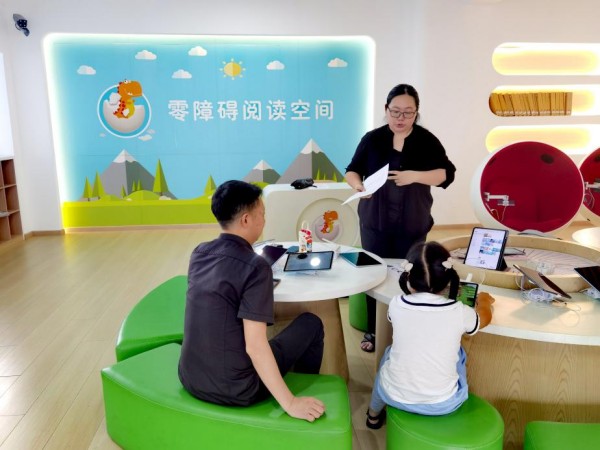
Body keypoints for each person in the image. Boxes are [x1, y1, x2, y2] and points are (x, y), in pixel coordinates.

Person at [178, 180, 326, 422]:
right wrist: (290, 403)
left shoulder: (200, 252)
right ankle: (301, 388)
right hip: (238, 389)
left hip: (191, 377)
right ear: (246, 220)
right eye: (262, 214)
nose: (264, 220)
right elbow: (255, 346)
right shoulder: (256, 267)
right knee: (311, 323)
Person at [345, 83, 456, 353]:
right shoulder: (372, 139)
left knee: (411, 274)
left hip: (412, 220)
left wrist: (414, 176)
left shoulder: (426, 140)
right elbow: (352, 170)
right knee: (375, 273)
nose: (401, 118)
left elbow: (446, 174)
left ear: (416, 113)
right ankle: (374, 329)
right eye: (395, 111)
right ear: (386, 109)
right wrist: (358, 186)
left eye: (408, 112)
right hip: (375, 221)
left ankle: (406, 330)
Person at [365, 241, 495, 428]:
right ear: (448, 280)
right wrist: (484, 301)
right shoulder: (459, 311)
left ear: (408, 277)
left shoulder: (396, 303)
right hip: (442, 404)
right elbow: (484, 319)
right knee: (459, 354)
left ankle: (373, 415)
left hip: (392, 395)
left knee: (388, 354)